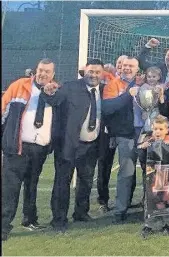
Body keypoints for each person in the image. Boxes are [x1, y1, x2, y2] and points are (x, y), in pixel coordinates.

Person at [43, 59, 106, 233]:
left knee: (86, 181)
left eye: (97, 72)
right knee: (63, 182)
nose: (93, 75)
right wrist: (48, 93)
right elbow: (54, 100)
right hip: (69, 144)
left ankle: (81, 212)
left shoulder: (104, 90)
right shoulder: (70, 87)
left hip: (91, 145)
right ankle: (59, 218)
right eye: (91, 71)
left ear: (102, 74)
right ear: (84, 71)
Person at [1, 59, 60, 240]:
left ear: (53, 75)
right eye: (41, 70)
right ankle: (3, 226)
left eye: (47, 71)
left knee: (32, 185)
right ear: (35, 70)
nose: (43, 74)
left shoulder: (56, 91)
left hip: (40, 148)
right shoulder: (19, 86)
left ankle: (30, 219)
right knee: (10, 188)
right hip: (17, 147)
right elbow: (3, 112)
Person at [102, 56, 140, 223]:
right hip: (125, 136)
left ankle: (150, 207)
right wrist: (127, 95)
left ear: (137, 69)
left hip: (146, 134)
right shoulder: (113, 85)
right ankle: (120, 211)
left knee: (150, 172)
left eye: (131, 66)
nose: (127, 68)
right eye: (125, 66)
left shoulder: (144, 83)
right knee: (126, 172)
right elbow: (108, 108)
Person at [139, 115, 169, 239]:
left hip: (166, 178)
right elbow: (142, 161)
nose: (157, 132)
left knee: (165, 200)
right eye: (155, 129)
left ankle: (166, 224)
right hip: (151, 178)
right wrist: (143, 149)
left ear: (167, 130)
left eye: (160, 129)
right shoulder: (148, 142)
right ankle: (148, 224)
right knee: (149, 201)